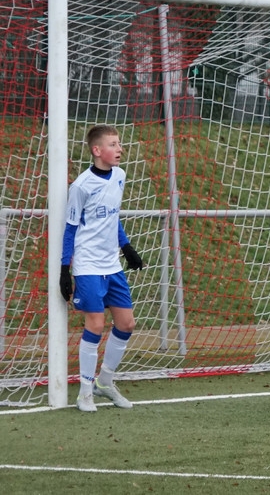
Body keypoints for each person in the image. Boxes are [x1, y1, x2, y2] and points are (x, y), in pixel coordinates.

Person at [60, 124, 145, 412]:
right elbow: (70, 229)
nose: (120, 149)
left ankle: (105, 382)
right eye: (113, 144)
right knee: (95, 325)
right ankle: (85, 393)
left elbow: (112, 216)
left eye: (119, 143)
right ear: (97, 150)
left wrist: (126, 247)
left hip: (112, 264)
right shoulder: (81, 186)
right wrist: (64, 269)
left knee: (126, 324)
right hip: (88, 265)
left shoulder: (119, 176)